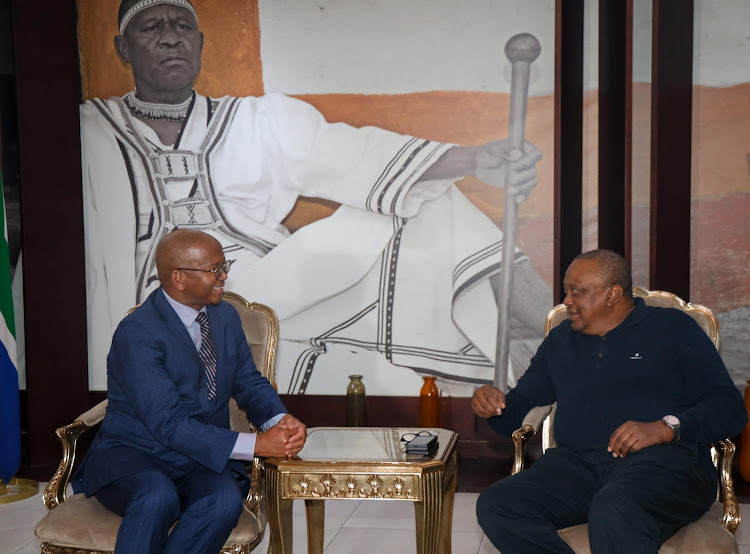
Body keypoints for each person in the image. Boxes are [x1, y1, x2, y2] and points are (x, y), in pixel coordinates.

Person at [80, 0, 552, 395]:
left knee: (428, 199)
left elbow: (357, 154)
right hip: (162, 306)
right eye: (152, 27)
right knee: (351, 371)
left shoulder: (257, 120)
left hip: (264, 286)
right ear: (124, 48)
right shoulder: (86, 132)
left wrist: (471, 160)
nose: (171, 37)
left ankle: (563, 331)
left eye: (183, 26)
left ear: (200, 45)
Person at [472, 249, 747, 553]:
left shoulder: (673, 329)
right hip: (576, 467)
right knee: (497, 504)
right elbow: (518, 407)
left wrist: (666, 428)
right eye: (566, 290)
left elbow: (729, 408)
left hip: (666, 464)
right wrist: (494, 405)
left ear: (613, 294)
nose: (566, 301)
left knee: (614, 507)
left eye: (577, 291)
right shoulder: (561, 341)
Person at [72, 229, 307, 554]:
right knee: (157, 496)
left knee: (224, 500)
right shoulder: (138, 333)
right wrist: (259, 445)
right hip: (135, 457)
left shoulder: (224, 316)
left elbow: (248, 381)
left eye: (224, 266)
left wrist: (280, 421)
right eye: (214, 269)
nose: (224, 276)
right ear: (179, 278)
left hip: (197, 459)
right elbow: (168, 425)